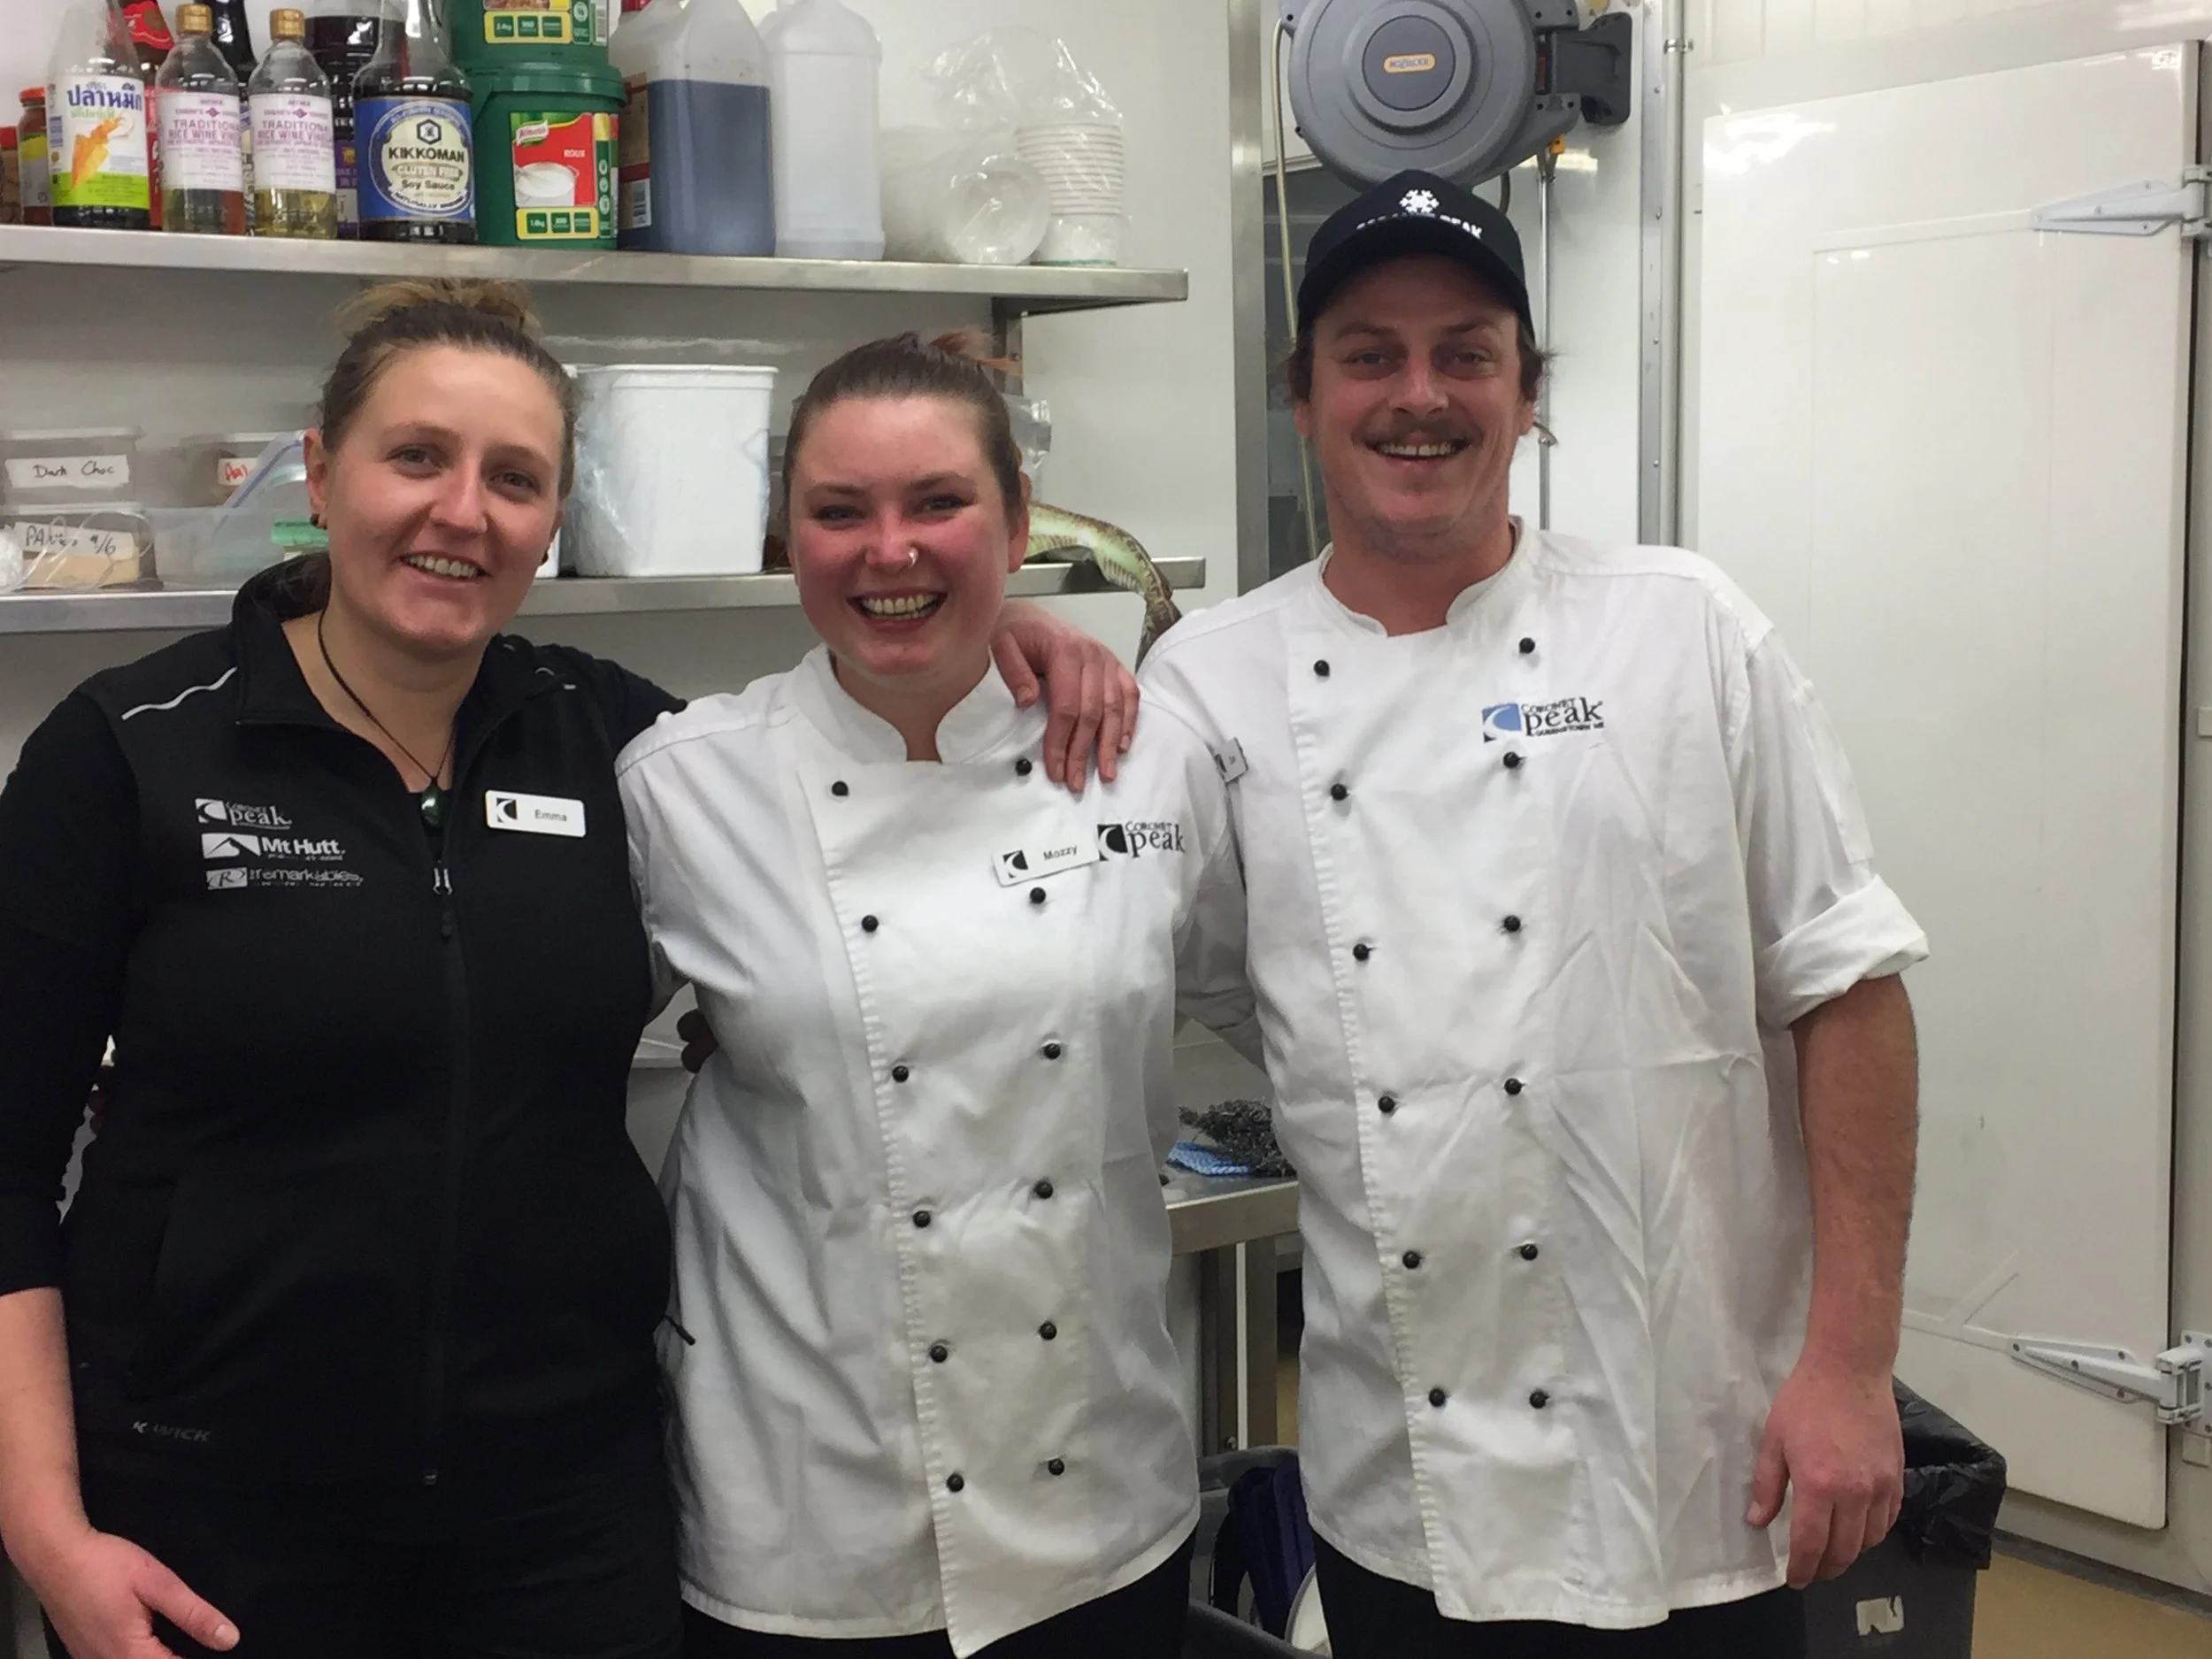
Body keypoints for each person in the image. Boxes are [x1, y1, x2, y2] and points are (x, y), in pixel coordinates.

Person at [0, 282, 1138, 1659]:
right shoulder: (133, 749)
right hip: (216, 1506)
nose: (461, 511)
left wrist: (1007, 641)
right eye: (416, 456)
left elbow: (843, 737)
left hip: (562, 1513)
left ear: (554, 519)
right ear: (321, 468)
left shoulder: (615, 744)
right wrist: (51, 1538)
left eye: (515, 478)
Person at [1139, 171, 1929, 1657]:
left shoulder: (1685, 625)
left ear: (1530, 394)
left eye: (1468, 353)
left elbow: (1850, 987)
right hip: (1406, 1476)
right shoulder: (1213, 681)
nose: (1418, 395)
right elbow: (1171, 960)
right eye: (1369, 353)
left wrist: (1853, 1361)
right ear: (1303, 396)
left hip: (1699, 1446)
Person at [615, 334, 1252, 1659]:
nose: (886, 550)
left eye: (938, 504)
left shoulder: (1150, 760)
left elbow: (1277, 1004)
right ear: (786, 534)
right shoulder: (683, 785)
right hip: (801, 1502)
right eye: (839, 511)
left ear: (1019, 519)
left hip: (1091, 1488)